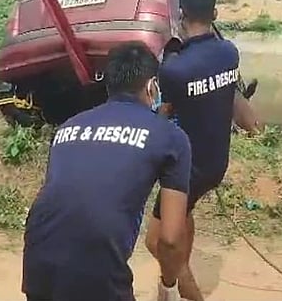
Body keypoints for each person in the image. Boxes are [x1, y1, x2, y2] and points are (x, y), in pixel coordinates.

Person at [22, 42, 192, 301]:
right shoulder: (170, 137)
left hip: (38, 259)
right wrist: (168, 287)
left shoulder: (68, 127)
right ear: (151, 86)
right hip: (98, 267)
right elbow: (169, 239)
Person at [145, 0, 241, 301]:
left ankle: (185, 291)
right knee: (182, 218)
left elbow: (162, 115)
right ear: (214, 12)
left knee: (157, 241)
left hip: (187, 168)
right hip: (217, 162)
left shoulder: (175, 67)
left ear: (181, 13)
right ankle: (177, 288)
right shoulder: (229, 52)